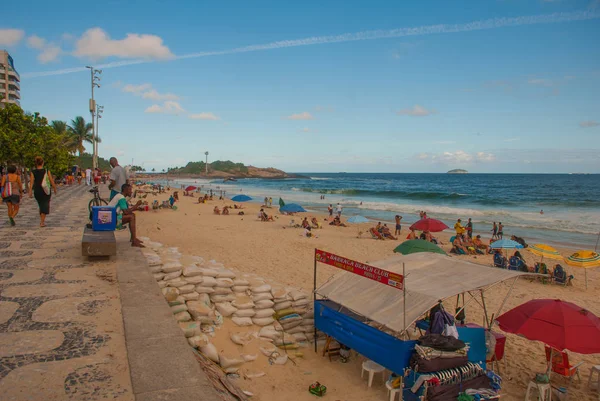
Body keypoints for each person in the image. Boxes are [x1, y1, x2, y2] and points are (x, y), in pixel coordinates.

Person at [29, 157, 57, 227]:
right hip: (45, 190)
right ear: (43, 163)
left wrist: (30, 192)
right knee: (44, 205)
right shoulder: (46, 171)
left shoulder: (33, 172)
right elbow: (51, 180)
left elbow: (31, 183)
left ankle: (42, 220)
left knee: (41, 205)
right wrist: (54, 188)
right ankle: (42, 222)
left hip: (37, 190)